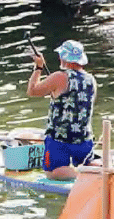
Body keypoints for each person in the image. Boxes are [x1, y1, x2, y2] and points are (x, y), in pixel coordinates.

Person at [27, 40, 97, 181]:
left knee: (51, 172)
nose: (59, 58)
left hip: (61, 140)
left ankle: (84, 175)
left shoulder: (59, 76)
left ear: (65, 59)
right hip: (84, 140)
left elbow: (32, 91)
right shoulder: (91, 80)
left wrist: (38, 67)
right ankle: (94, 168)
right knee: (87, 160)